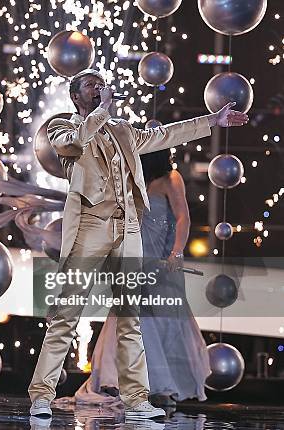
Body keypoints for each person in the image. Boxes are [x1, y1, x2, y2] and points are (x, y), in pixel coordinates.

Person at [28, 69, 247, 419]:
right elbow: (76, 144)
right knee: (67, 315)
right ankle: (41, 394)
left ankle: (137, 398)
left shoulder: (123, 131)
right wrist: (102, 112)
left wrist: (212, 120)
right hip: (90, 227)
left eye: (102, 83)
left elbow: (165, 135)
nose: (99, 87)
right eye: (90, 85)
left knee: (130, 318)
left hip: (128, 231)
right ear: (76, 97)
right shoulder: (62, 128)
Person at [74, 149, 211, 408]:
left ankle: (158, 385)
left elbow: (183, 218)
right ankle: (122, 381)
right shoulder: (132, 178)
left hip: (161, 263)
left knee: (158, 321)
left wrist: (176, 252)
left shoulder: (172, 179)